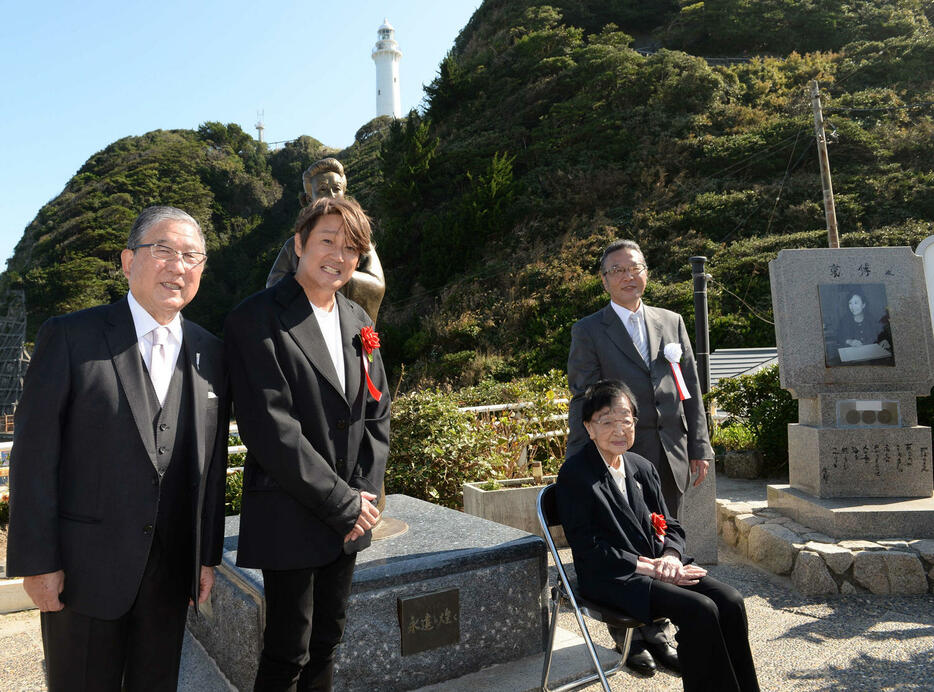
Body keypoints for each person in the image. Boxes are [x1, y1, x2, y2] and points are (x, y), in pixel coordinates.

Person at [6, 206, 230, 691]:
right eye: (164, 250)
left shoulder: (210, 351)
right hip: (84, 571)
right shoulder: (71, 336)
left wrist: (205, 558)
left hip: (171, 574)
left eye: (192, 255)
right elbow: (34, 455)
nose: (178, 265)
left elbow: (210, 468)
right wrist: (38, 562)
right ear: (128, 262)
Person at [226, 196, 391, 690]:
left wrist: (363, 490)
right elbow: (270, 427)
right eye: (327, 241)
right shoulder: (255, 318)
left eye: (351, 248)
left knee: (327, 642)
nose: (339, 256)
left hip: (349, 515)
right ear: (299, 243)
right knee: (286, 650)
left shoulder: (359, 319)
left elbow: (376, 413)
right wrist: (343, 502)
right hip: (291, 510)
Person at [566, 239, 712, 675]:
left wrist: (699, 446)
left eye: (635, 267)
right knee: (620, 545)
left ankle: (659, 630)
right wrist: (583, 457)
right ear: (605, 280)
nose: (629, 276)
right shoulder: (589, 329)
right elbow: (584, 398)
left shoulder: (672, 321)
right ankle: (627, 637)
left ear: (646, 272)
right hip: (616, 452)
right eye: (618, 270)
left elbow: (690, 389)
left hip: (668, 453)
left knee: (663, 539)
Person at [558, 380, 759, 692]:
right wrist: (652, 568)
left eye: (626, 420)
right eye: (607, 421)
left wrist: (670, 558)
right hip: (613, 577)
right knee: (700, 609)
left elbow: (671, 525)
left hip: (659, 567)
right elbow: (589, 550)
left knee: (730, 601)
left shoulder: (641, 467)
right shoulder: (575, 475)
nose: (619, 429)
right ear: (589, 427)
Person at [266, 157, 386, 322]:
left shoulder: (360, 240)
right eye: (322, 189)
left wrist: (335, 276)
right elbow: (274, 284)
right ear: (309, 199)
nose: (331, 195)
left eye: (336, 189)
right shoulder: (294, 244)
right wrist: (309, 281)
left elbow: (376, 284)